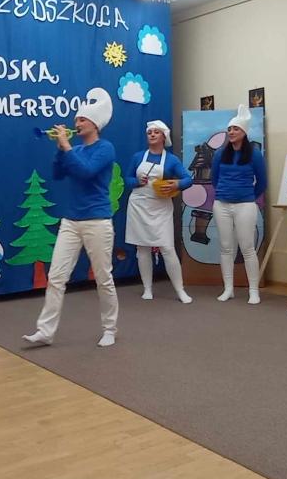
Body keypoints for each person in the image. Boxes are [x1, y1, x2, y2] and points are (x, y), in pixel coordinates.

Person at [23, 88, 118, 347]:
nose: (77, 123)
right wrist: (60, 150)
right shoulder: (75, 149)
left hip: (97, 220)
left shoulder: (105, 148)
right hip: (71, 220)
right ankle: (45, 331)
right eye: (77, 119)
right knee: (56, 277)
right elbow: (57, 174)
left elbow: (86, 172)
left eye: (82, 119)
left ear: (95, 124)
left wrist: (66, 146)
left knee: (103, 278)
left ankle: (110, 328)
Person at [124, 120, 193, 303]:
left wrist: (177, 184)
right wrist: (137, 182)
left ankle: (180, 290)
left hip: (161, 208)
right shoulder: (138, 157)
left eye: (156, 132)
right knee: (142, 248)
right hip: (138, 206)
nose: (152, 134)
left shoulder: (171, 160)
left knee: (167, 248)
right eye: (149, 132)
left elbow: (188, 179)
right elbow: (127, 179)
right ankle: (147, 288)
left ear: (164, 136)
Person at [211, 104, 267, 304]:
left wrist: (247, 196)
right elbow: (215, 179)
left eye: (235, 129)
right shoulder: (220, 154)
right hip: (222, 205)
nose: (231, 132)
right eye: (230, 129)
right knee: (226, 248)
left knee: (247, 248)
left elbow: (262, 182)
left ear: (244, 132)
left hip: (245, 205)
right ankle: (228, 289)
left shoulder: (254, 153)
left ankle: (253, 290)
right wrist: (224, 194)